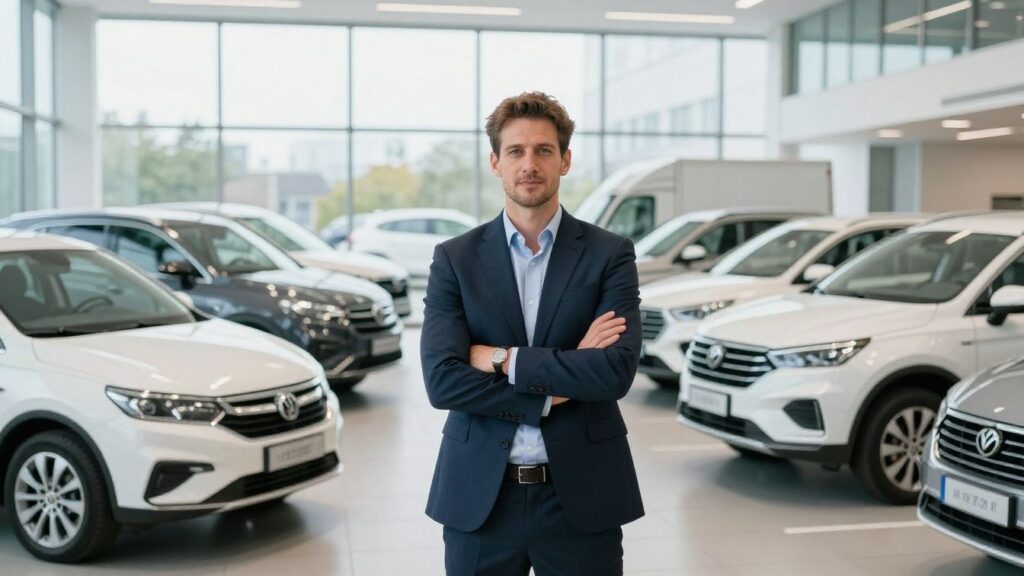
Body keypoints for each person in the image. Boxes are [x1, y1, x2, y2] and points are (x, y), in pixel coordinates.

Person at [421, 91, 644, 576]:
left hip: (583, 499)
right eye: (516, 151)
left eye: (544, 150)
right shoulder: (455, 259)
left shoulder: (610, 255)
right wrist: (555, 388)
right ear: (495, 162)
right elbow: (442, 381)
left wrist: (502, 360)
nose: (529, 164)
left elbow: (613, 372)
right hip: (481, 497)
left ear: (565, 160)